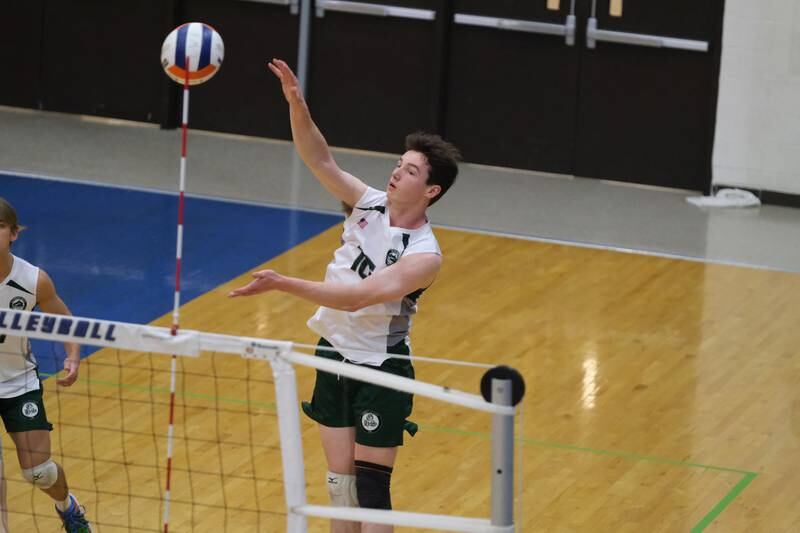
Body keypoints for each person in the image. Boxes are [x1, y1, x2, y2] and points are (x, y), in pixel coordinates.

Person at [229, 59, 461, 532]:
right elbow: (319, 158)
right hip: (333, 354)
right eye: (398, 164)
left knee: (372, 491)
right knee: (340, 486)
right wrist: (297, 104)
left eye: (411, 170)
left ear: (431, 190)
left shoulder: (425, 255)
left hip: (382, 367)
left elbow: (358, 298)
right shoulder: (367, 202)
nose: (397, 173)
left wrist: (283, 283)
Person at [0, 197, 92, 532]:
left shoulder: (33, 280)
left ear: (13, 234)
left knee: (37, 472)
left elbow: (65, 321)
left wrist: (72, 353)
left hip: (19, 383)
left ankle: (68, 507)